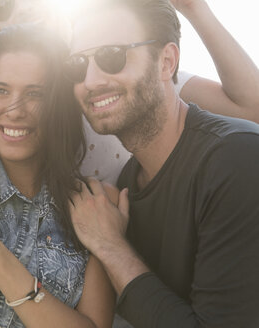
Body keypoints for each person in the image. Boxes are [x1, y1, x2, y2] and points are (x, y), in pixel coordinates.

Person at [68, 0, 259, 327]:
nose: (91, 80)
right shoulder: (128, 187)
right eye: (76, 65)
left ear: (166, 62)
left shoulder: (235, 159)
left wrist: (112, 247)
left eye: (112, 56)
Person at [0, 0, 259, 185]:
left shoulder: (124, 73)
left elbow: (251, 109)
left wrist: (195, 8)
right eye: (1, 5)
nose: (21, 6)